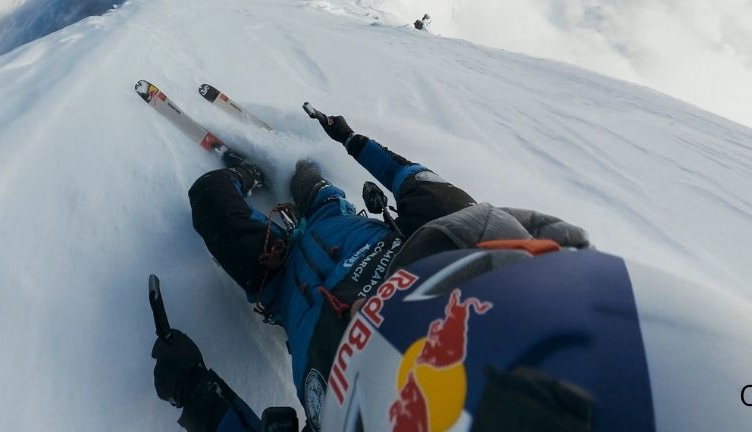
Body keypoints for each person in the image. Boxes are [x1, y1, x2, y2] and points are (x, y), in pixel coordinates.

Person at [151, 107, 590, 431]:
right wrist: (350, 139)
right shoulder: (464, 243)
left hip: (278, 280)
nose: (367, 307)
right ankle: (276, 175)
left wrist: (192, 388)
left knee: (210, 199)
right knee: (306, 177)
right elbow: (410, 178)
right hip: (331, 218)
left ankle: (249, 176)